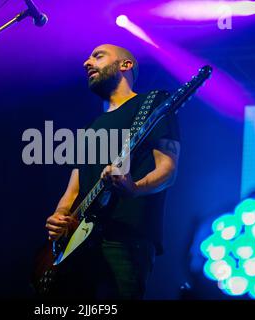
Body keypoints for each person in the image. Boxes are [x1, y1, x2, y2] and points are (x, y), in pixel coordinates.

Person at [44, 44, 181, 299]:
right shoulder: (90, 127)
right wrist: (60, 216)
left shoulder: (152, 103)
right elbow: (73, 190)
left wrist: (134, 187)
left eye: (97, 56)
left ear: (125, 65)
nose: (87, 62)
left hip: (125, 236)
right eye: (88, 57)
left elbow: (168, 169)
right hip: (76, 244)